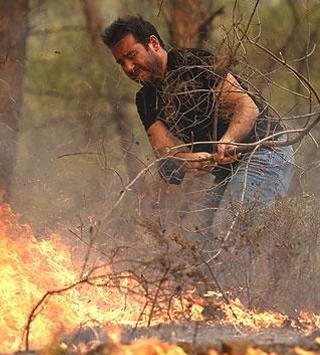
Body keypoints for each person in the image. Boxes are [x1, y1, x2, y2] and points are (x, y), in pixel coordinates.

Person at [100, 16, 294, 231]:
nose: (128, 67)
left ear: (153, 44)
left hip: (265, 150)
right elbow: (165, 152)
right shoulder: (146, 99)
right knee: (199, 243)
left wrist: (228, 140)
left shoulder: (194, 62)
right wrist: (187, 160)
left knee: (228, 230)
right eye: (121, 63)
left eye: (131, 55)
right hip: (228, 170)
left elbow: (247, 107)